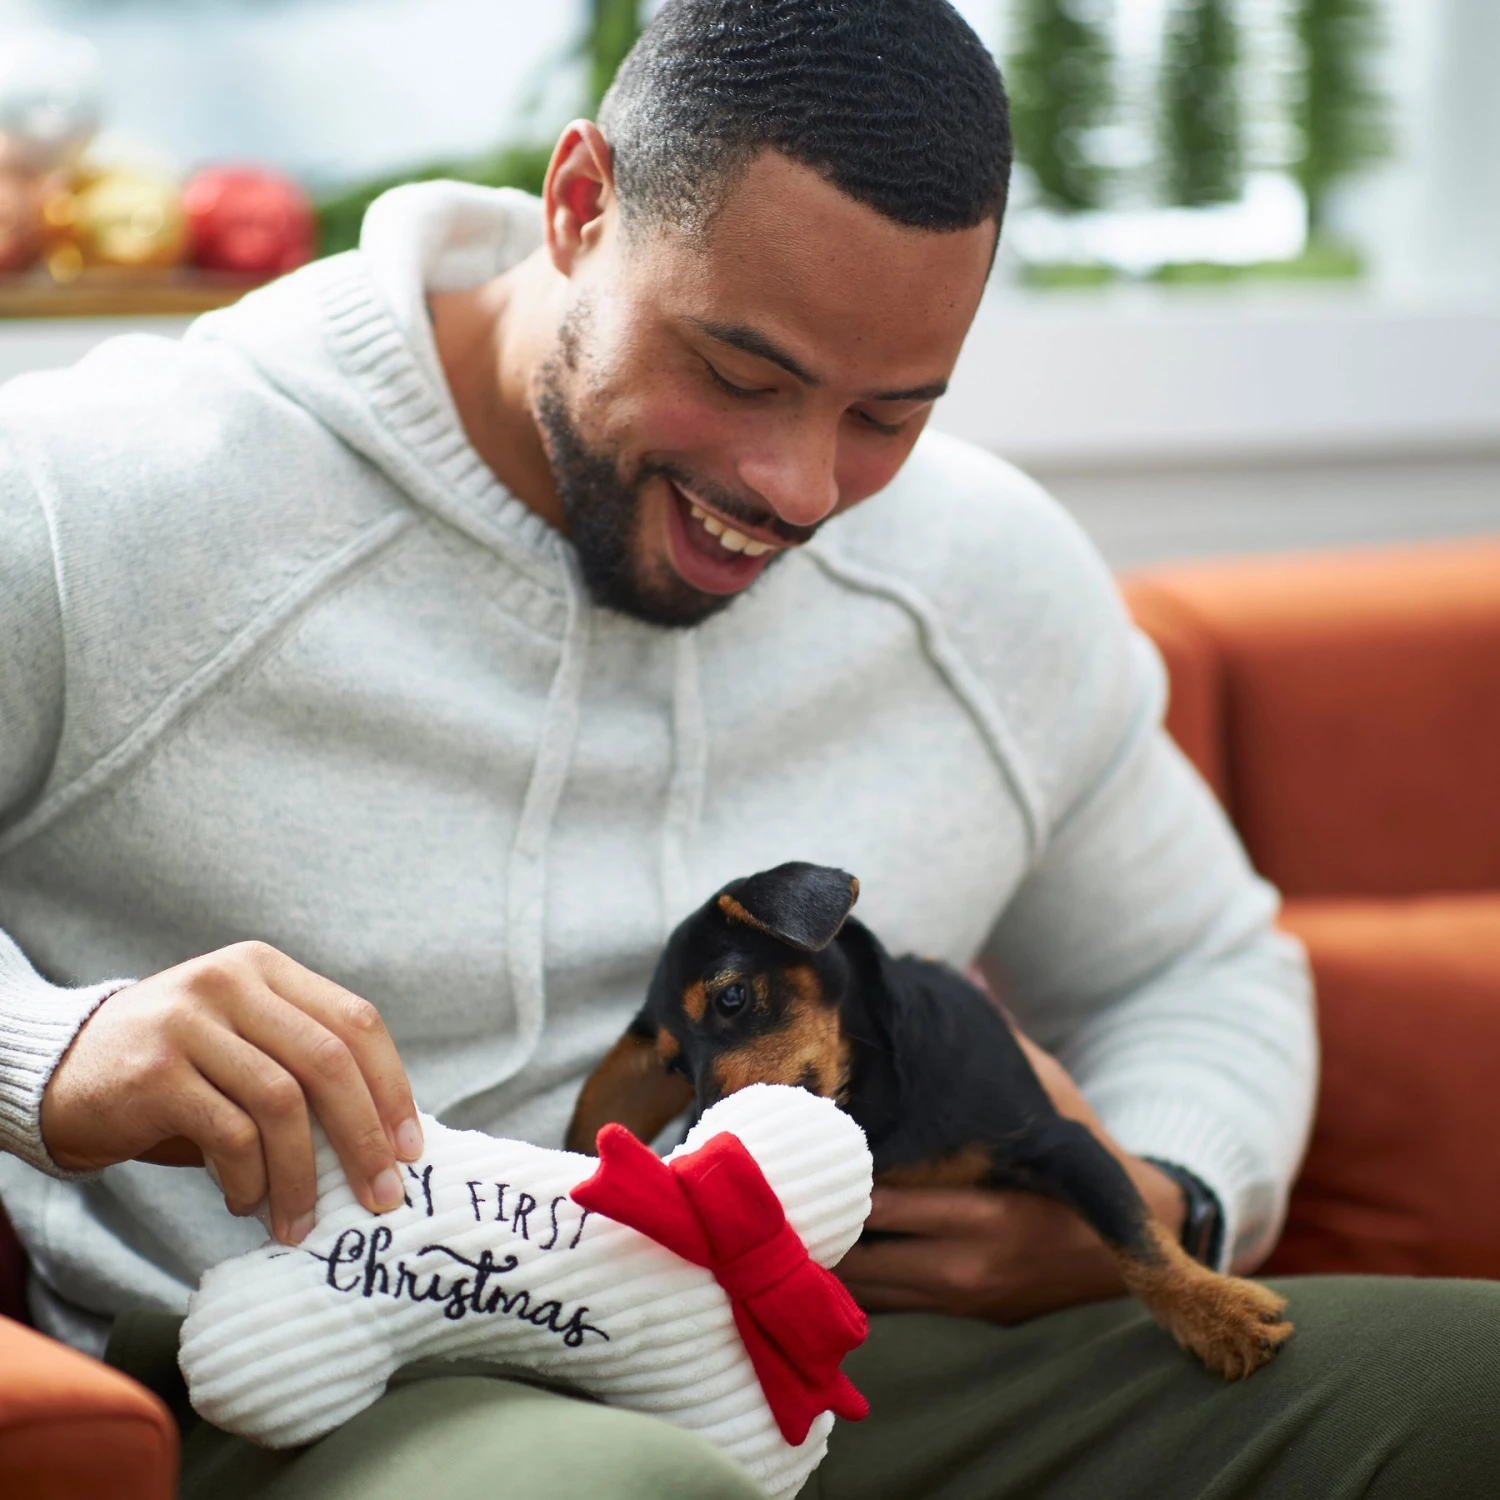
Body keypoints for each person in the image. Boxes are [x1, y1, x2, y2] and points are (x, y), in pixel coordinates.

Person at [0, 1, 1495, 1496]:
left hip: (841, 1364)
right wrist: (49, 1052)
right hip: (323, 1382)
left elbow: (1197, 964)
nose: (798, 488)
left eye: (885, 416)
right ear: (579, 205)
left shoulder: (987, 575)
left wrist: (1162, 1200)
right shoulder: (98, 500)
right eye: (738, 373)